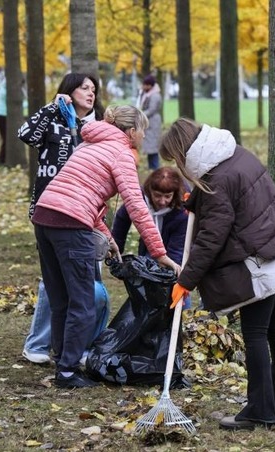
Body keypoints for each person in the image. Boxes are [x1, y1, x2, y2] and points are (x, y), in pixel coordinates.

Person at [160, 118, 275, 430]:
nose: (177, 167)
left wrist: (185, 281)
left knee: (256, 332)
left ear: (183, 152)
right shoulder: (233, 153)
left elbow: (210, 240)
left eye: (175, 160)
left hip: (265, 261)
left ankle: (260, 410)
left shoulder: (216, 180)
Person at [32, 105, 181, 389]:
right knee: (84, 302)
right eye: (144, 130)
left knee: (61, 297)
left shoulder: (90, 144)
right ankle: (67, 371)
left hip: (45, 216)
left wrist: (108, 238)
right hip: (70, 223)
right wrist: (159, 253)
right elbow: (136, 206)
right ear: (131, 131)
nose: (144, 135)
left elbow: (86, 199)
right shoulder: (122, 153)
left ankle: (63, 359)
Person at [17, 73, 106, 365]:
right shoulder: (52, 119)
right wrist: (51, 108)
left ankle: (80, 346)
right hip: (48, 210)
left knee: (88, 281)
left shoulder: (99, 125)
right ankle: (40, 344)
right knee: (53, 282)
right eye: (84, 87)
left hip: (85, 211)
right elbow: (26, 135)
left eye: (94, 89)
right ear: (69, 91)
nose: (90, 93)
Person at [111, 167, 188, 265]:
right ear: (150, 190)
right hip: (148, 245)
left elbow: (177, 249)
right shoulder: (138, 198)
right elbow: (122, 219)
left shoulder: (182, 212)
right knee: (145, 266)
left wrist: (171, 270)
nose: (162, 201)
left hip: (173, 245)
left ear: (174, 194)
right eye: (157, 195)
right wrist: (117, 247)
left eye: (168, 196)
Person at [136, 75, 163, 170]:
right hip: (149, 123)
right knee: (149, 147)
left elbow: (152, 109)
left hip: (153, 123)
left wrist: (140, 114)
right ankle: (152, 167)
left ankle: (155, 168)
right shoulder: (147, 94)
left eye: (145, 85)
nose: (143, 87)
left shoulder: (155, 95)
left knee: (153, 148)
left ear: (150, 86)